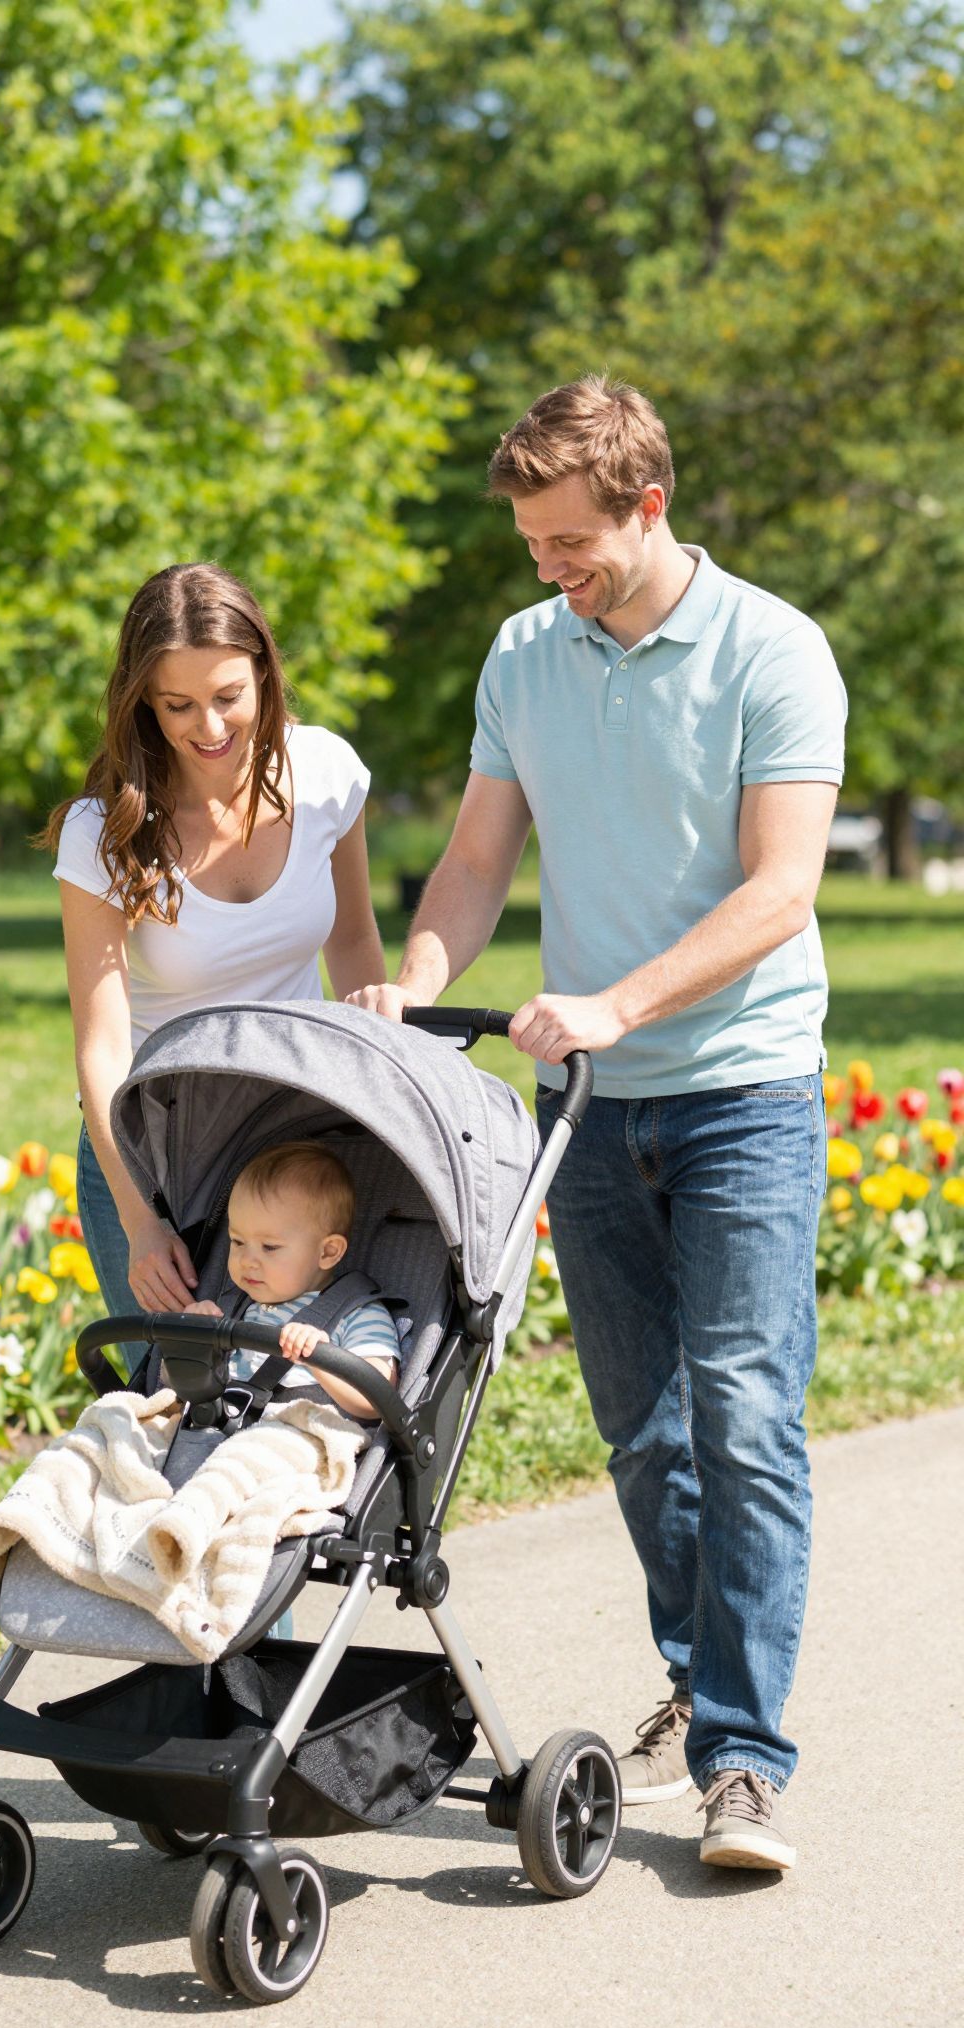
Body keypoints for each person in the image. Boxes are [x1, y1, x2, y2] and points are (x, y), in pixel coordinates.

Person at [348, 374, 847, 1875]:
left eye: (569, 542)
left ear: (648, 503)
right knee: (645, 1435)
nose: (547, 570)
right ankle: (705, 1679)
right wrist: (418, 980)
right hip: (592, 1108)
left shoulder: (774, 650)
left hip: (744, 1088)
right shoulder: (524, 653)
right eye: (529, 546)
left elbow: (781, 891)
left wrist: (624, 1003)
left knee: (747, 1419)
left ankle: (745, 1760)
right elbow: (479, 854)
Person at [42, 561, 386, 1329]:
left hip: (298, 1143)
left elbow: (355, 941)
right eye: (178, 705)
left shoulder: (325, 771)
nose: (210, 727)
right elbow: (101, 1050)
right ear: (143, 705)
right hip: (153, 1158)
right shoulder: (102, 834)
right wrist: (141, 1222)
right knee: (169, 1403)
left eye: (229, 696)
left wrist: (380, 1095)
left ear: (264, 673)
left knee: (310, 1388)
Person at [183, 1141, 400, 1421]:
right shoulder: (231, 1308)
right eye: (237, 1241)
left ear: (327, 1252)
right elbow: (177, 1383)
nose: (246, 1260)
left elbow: (379, 1398)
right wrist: (190, 1341)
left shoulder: (357, 1313)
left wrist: (320, 1356)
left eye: (269, 1247)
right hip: (219, 1422)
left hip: (299, 1432)